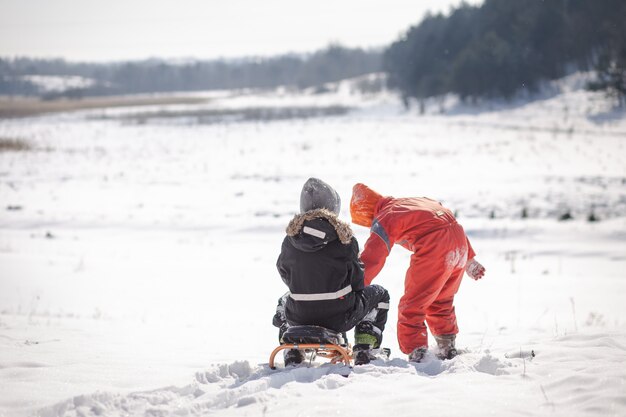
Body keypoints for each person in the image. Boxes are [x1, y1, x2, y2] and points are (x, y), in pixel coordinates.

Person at [349, 183, 486, 363]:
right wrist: (468, 258)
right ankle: (447, 346)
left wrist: (356, 282)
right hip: (458, 243)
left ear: (367, 213)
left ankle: (418, 352)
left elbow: (374, 255)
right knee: (440, 300)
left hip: (435, 247)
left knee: (413, 304)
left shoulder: (384, 217)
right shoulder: (411, 202)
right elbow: (449, 223)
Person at [272, 178, 390, 366]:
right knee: (380, 294)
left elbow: (284, 272)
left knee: (284, 301)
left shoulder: (290, 240)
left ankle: (291, 349)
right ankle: (364, 348)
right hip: (340, 317)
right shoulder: (344, 239)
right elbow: (358, 281)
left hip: (299, 315)